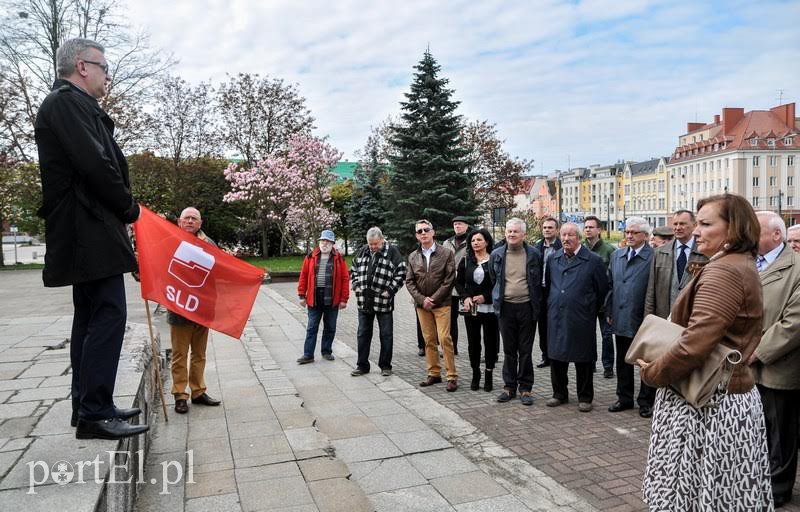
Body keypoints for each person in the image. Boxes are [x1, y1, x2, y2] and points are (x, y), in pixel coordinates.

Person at [35, 38, 147, 440]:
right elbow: (95, 163)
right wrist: (128, 208)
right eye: (103, 67)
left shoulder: (70, 105)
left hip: (86, 228)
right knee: (108, 313)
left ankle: (87, 406)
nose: (107, 75)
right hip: (88, 226)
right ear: (82, 66)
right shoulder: (66, 103)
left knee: (90, 316)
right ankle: (94, 411)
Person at [638, 194, 772, 511]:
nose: (697, 231)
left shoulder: (724, 271)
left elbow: (696, 343)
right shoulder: (737, 264)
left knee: (695, 496)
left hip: (706, 403)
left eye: (706, 224)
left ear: (734, 229)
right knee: (719, 495)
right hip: (722, 396)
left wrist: (652, 373)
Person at [751, 211, 800, 508]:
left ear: (776, 235)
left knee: (780, 433)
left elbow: (793, 324)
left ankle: (779, 488)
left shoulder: (796, 269)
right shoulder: (749, 263)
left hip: (778, 366)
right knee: (758, 430)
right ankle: (758, 479)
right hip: (747, 368)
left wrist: (755, 352)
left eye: (754, 231)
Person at [545, 223, 609, 412]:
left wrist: (587, 308)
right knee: (556, 356)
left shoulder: (593, 260)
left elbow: (602, 289)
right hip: (556, 315)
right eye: (563, 235)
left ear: (579, 238)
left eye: (570, 235)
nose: (566, 239)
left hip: (581, 317)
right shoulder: (553, 258)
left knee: (583, 358)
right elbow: (548, 285)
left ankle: (585, 397)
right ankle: (559, 394)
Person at [169, 208, 221, 414]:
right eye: (186, 218)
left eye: (194, 218)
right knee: (179, 354)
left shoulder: (209, 244)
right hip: (179, 307)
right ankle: (180, 395)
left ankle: (198, 391)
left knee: (199, 354)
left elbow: (219, 270)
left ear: (200, 223)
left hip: (202, 307)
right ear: (180, 222)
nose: (190, 221)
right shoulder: (170, 240)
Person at [605, 217, 656, 418]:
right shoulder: (617, 255)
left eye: (634, 233)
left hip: (643, 318)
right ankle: (624, 398)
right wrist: (609, 310)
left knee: (645, 361)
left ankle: (646, 401)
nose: (629, 236)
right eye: (627, 232)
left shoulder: (654, 257)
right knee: (623, 360)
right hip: (620, 316)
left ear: (645, 235)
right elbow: (610, 285)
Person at [489, 219, 542, 405]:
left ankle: (525, 388)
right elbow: (493, 278)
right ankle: (509, 387)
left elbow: (538, 282)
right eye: (509, 231)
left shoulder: (534, 254)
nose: (511, 234)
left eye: (515, 232)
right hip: (506, 308)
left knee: (525, 350)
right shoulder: (496, 255)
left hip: (527, 307)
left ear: (523, 235)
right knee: (509, 350)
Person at [406, 220, 458, 391]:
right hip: (422, 306)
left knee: (444, 338)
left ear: (433, 232)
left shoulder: (446, 253)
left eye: (426, 230)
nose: (423, 233)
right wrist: (422, 300)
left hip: (442, 303)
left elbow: (449, 280)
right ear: (416, 235)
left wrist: (433, 299)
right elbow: (409, 281)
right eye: (419, 231)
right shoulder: (413, 256)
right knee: (428, 340)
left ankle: (451, 376)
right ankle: (434, 373)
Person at [349, 227, 407, 377]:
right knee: (363, 334)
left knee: (386, 335)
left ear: (382, 239)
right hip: (364, 300)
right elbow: (353, 269)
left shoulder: (392, 252)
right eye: (370, 244)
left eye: (376, 244)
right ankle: (362, 365)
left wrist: (390, 291)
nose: (373, 247)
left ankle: (385, 366)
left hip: (383, 301)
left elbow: (401, 273)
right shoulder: (363, 250)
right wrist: (355, 285)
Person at [296, 230, 349, 364]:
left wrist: (344, 299)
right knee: (312, 327)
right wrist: (302, 295)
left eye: (327, 241)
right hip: (315, 298)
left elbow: (345, 278)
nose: (324, 243)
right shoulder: (310, 257)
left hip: (332, 299)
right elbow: (303, 276)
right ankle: (308, 354)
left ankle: (326, 351)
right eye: (322, 241)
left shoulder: (339, 258)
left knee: (330, 327)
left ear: (332, 243)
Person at [456, 228, 499, 392]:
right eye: (473, 241)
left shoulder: (494, 260)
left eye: (479, 240)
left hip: (489, 309)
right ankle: (476, 373)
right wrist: (465, 297)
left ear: (486, 242)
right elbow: (458, 283)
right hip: (472, 309)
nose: (475, 243)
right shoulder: (467, 260)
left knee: (490, 343)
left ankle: (489, 374)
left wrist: (485, 297)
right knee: (473, 343)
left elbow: (498, 284)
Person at [644, 210, 708, 319]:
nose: (678, 228)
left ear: (694, 225)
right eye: (675, 224)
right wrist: (648, 319)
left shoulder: (705, 253)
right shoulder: (660, 253)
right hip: (664, 319)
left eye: (682, 224)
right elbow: (651, 291)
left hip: (693, 319)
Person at [582, 215, 616, 379]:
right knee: (587, 334)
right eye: (586, 227)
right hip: (586, 301)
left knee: (607, 335)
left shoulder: (609, 250)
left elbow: (614, 277)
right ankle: (590, 363)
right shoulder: (580, 248)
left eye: (591, 227)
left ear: (599, 230)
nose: (588, 230)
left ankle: (608, 366)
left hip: (604, 301)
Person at [534, 216, 562, 368]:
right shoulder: (537, 247)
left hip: (556, 291)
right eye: (545, 228)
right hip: (541, 292)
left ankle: (557, 354)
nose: (547, 230)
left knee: (557, 324)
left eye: (550, 228)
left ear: (557, 230)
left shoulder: (561, 247)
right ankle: (546, 356)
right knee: (543, 325)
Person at [443, 216, 472, 355]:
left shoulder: (472, 241)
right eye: (455, 224)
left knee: (471, 319)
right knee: (451, 319)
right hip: (450, 287)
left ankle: (475, 349)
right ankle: (452, 347)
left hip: (467, 285)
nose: (457, 226)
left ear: (466, 226)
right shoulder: (447, 242)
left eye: (460, 224)